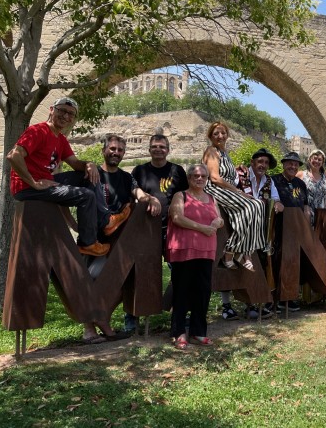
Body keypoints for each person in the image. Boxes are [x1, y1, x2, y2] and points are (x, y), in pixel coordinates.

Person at [81, 134, 162, 343]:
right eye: (113, 149)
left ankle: (103, 318)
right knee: (91, 280)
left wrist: (149, 198)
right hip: (95, 240)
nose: (116, 153)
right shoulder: (92, 173)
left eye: (120, 150)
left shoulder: (126, 178)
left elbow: (137, 192)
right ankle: (89, 329)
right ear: (104, 150)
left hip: (119, 241)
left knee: (120, 282)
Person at [6, 97, 110, 257]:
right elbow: (14, 156)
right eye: (62, 111)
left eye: (71, 114)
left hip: (46, 181)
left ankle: (105, 222)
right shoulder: (38, 131)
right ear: (51, 110)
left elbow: (76, 164)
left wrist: (89, 164)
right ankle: (88, 243)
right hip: (27, 188)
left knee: (89, 175)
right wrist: (33, 183)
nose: (66, 116)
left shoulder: (60, 139)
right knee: (86, 196)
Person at [128, 134, 188, 333]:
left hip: (172, 230)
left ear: (168, 149)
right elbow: (134, 195)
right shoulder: (140, 170)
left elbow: (184, 198)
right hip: (146, 231)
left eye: (162, 146)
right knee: (138, 275)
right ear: (149, 149)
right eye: (154, 146)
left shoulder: (177, 171)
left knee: (180, 272)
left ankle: (177, 315)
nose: (158, 149)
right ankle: (132, 318)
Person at [166, 164, 224, 349]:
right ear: (189, 178)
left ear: (207, 179)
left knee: (203, 292)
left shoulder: (211, 198)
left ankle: (198, 332)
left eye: (203, 176)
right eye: (195, 175)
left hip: (206, 250)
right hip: (185, 250)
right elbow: (176, 217)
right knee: (182, 291)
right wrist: (203, 228)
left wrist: (217, 221)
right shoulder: (180, 195)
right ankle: (179, 332)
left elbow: (220, 218)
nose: (199, 178)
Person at [202, 121, 267, 273]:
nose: (220, 136)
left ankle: (245, 251)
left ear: (227, 135)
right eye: (216, 133)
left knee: (259, 205)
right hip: (215, 189)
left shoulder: (225, 153)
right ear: (210, 136)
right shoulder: (212, 151)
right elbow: (215, 178)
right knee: (250, 206)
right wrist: (238, 192)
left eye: (223, 133)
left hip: (228, 189)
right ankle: (231, 252)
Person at [243, 147, 284, 319]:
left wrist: (278, 204)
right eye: (260, 161)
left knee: (261, 263)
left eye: (266, 163)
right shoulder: (242, 176)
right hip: (243, 229)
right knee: (246, 264)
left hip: (261, 230)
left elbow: (277, 200)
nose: (263, 165)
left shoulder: (269, 181)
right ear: (252, 163)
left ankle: (261, 301)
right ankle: (248, 304)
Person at [271, 151, 312, 312]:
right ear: (283, 164)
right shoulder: (274, 180)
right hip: (278, 229)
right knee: (276, 262)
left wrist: (307, 225)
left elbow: (306, 206)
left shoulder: (300, 184)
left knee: (293, 263)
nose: (292, 166)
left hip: (296, 231)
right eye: (289, 163)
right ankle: (274, 298)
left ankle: (288, 297)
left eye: (295, 164)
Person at [296, 149, 326, 224]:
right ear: (309, 159)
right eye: (315, 158)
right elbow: (293, 191)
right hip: (304, 215)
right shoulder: (300, 175)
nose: (317, 161)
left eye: (320, 160)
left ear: (322, 162)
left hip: (322, 216)